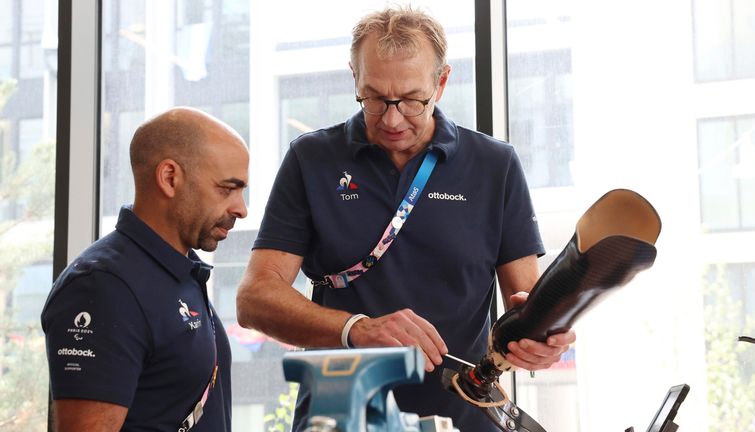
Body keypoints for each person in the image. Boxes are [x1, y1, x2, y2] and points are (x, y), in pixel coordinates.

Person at [236, 6, 575, 431]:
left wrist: (539, 341)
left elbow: (526, 305)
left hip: (466, 418)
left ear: (442, 82)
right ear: (353, 78)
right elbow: (254, 299)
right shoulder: (312, 159)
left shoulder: (495, 165)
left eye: (413, 100)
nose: (392, 119)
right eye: (375, 98)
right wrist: (357, 328)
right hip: (340, 418)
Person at [41, 107, 248, 431]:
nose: (241, 209)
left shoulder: (179, 270)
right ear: (169, 178)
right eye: (227, 189)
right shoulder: (103, 287)